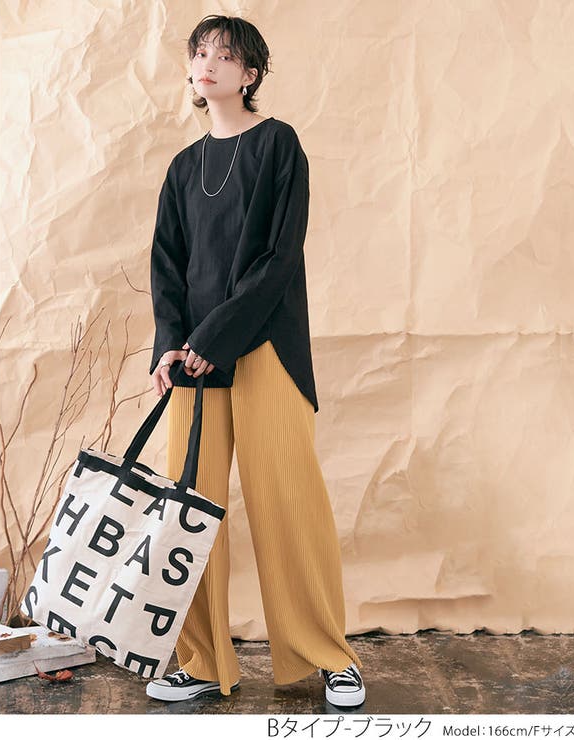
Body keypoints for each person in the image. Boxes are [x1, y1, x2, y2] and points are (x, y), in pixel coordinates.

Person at [145, 14, 365, 709]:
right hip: (192, 359)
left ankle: (329, 657)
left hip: (266, 345)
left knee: (287, 500)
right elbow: (166, 266)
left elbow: (278, 257)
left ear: (250, 74)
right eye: (200, 51)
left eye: (225, 54)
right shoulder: (183, 168)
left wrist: (215, 336)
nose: (208, 62)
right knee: (191, 508)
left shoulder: (278, 145)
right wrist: (172, 344)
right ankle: (202, 661)